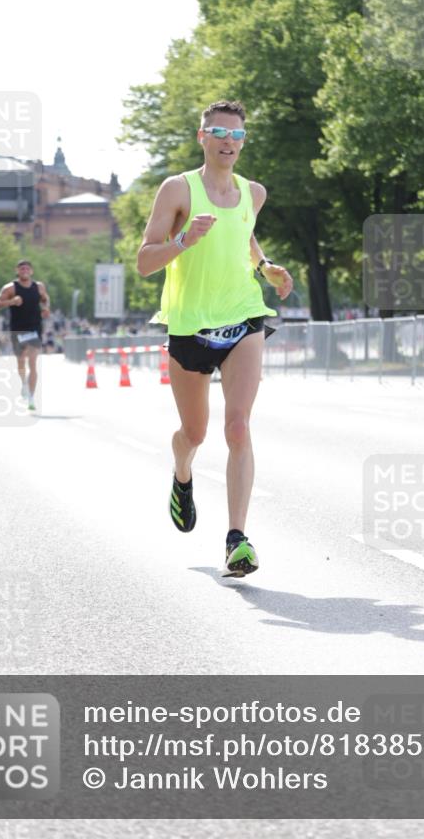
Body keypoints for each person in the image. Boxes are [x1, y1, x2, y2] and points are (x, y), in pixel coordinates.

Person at [137, 100, 293, 577]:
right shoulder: (177, 189)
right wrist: (184, 241)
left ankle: (236, 539)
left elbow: (243, 236)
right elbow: (145, 261)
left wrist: (264, 267)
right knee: (196, 433)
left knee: (239, 427)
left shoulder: (254, 193)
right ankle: (182, 473)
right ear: (201, 136)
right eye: (220, 132)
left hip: (244, 315)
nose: (229, 141)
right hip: (190, 324)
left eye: (238, 135)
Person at [0, 259, 50, 411]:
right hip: (17, 329)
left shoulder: (39, 286)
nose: (24, 271)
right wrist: (10, 302)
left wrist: (46, 307)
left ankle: (31, 397)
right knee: (21, 361)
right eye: (21, 269)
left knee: (33, 363)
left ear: (32, 271)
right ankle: (23, 383)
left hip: (35, 328)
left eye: (27, 268)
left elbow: (45, 299)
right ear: (17, 271)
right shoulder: (11, 288)